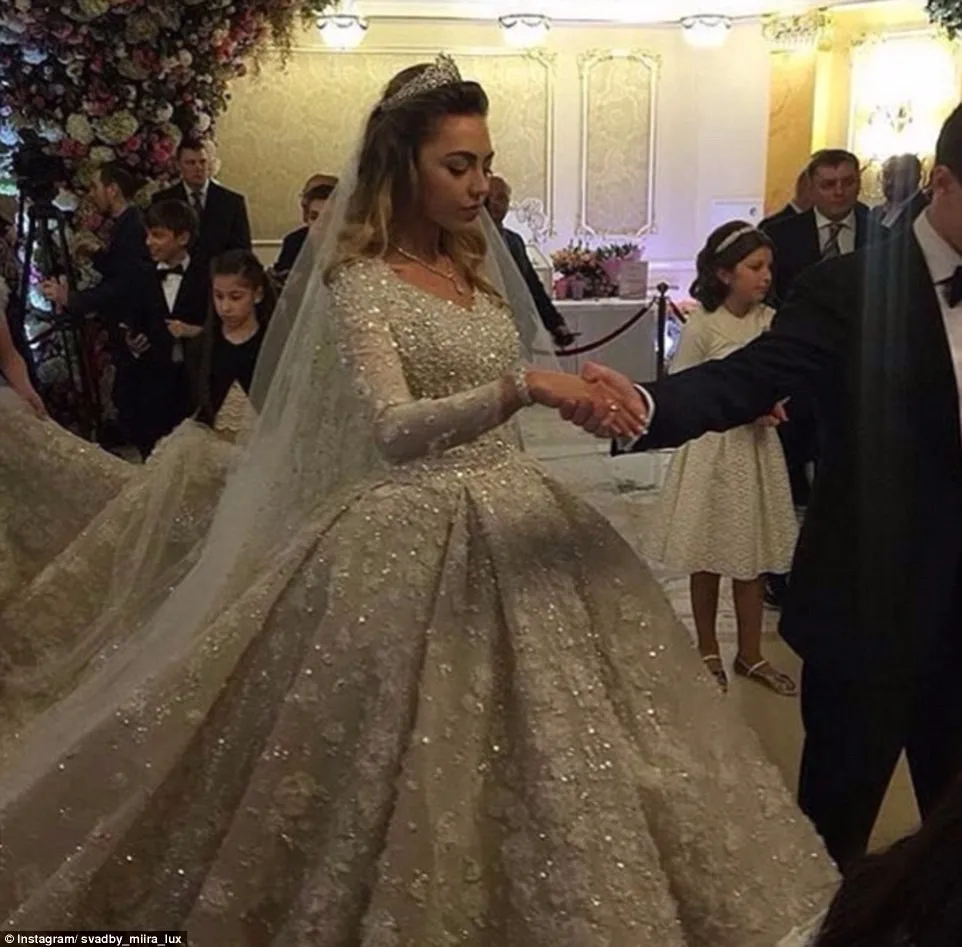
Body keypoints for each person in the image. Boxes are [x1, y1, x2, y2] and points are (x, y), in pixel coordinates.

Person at [0, 56, 835, 944]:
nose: (479, 185)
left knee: (579, 738)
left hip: (520, 511)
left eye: (485, 164)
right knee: (403, 750)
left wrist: (576, 395)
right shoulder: (360, 280)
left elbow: (502, 385)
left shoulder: (475, 269)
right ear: (404, 166)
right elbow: (395, 428)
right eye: (457, 165)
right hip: (408, 525)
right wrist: (522, 388)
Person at [573, 101, 962, 875]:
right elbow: (753, 375)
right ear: (943, 182)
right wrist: (647, 404)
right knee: (830, 844)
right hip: (870, 615)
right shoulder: (851, 287)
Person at [647, 222, 797, 696]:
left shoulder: (770, 322)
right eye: (754, 267)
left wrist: (773, 403)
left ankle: (751, 652)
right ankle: (708, 647)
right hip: (712, 449)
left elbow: (783, 379)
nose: (766, 276)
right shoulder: (704, 324)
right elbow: (684, 384)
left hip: (754, 452)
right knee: (707, 554)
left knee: (751, 557)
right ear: (725, 273)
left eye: (769, 267)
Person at [40, 163, 157, 455]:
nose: (91, 194)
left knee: (135, 408)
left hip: (133, 328)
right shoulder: (125, 224)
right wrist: (97, 256)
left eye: (95, 187)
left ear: (112, 189)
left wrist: (72, 299)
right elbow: (120, 269)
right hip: (125, 326)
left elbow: (125, 285)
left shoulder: (132, 227)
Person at [486, 174, 576, 347]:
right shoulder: (468, 241)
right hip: (487, 330)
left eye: (501, 198)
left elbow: (531, 285)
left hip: (519, 330)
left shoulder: (514, 241)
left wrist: (555, 324)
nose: (495, 204)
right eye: (489, 198)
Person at [194, 250, 274, 432]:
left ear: (258, 294)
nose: (225, 307)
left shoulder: (273, 344)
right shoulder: (203, 346)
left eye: (236, 297)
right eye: (218, 296)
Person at [152, 137, 252, 267]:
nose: (198, 167)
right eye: (191, 163)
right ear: (178, 165)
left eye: (203, 162)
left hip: (219, 274)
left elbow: (242, 251)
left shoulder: (232, 202)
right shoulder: (163, 200)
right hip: (177, 273)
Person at [273, 174, 338, 279]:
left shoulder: (352, 249)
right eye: (314, 217)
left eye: (327, 217)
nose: (320, 224)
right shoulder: (293, 242)